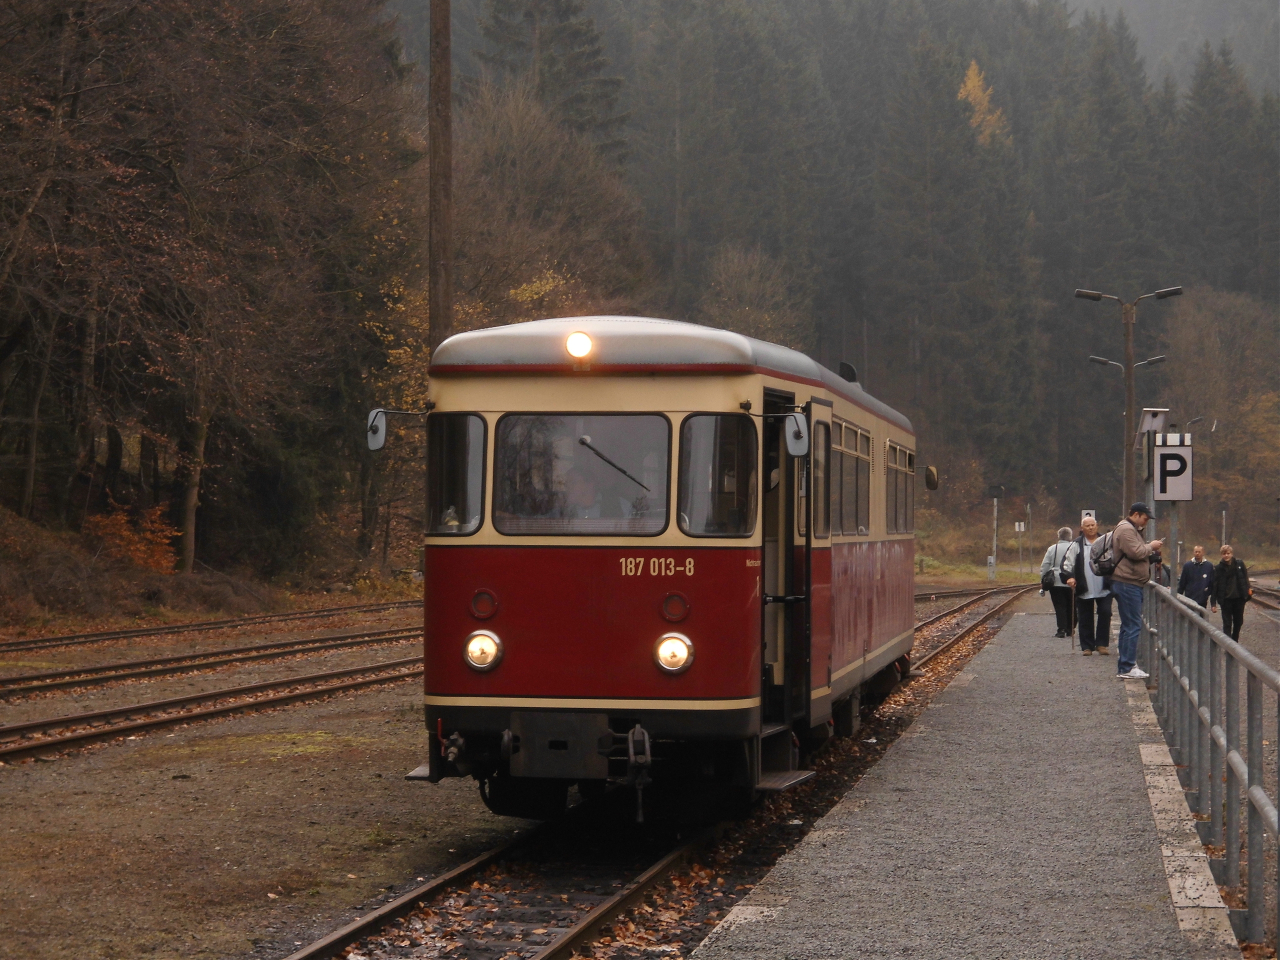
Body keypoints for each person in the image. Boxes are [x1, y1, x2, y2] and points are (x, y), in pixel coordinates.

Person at [1110, 503, 1163, 680]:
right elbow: (1134, 552)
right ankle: (1127, 666)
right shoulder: (1126, 529)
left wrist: (1150, 555)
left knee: (1128, 625)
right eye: (1145, 518)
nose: (1146, 522)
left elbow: (1136, 553)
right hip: (1127, 583)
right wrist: (1151, 546)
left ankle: (1126, 664)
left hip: (1128, 582)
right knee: (1133, 625)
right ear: (1136, 514)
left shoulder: (1130, 529)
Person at [1063, 516, 1112, 656]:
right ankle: (1087, 646)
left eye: (1093, 525)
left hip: (1104, 586)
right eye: (1087, 525)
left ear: (1097, 526)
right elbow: (1067, 563)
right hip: (1084, 586)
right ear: (1082, 528)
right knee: (1085, 616)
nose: (1091, 528)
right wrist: (1070, 577)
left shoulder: (1106, 542)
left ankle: (1102, 644)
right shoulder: (1076, 544)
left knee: (1105, 612)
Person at [1210, 544, 1252, 640]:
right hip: (1226, 600)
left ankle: (1235, 639)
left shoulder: (1239, 564)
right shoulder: (1218, 568)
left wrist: (1248, 590)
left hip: (1239, 599)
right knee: (1227, 623)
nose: (1226, 556)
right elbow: (1215, 586)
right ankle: (1228, 643)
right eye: (1224, 554)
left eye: (1228, 553)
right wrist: (1213, 603)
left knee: (1238, 622)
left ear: (1231, 554)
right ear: (1221, 555)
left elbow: (1245, 578)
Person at [1040, 527, 1075, 638]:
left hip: (1056, 581)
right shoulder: (1075, 547)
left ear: (1059, 536)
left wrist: (1043, 579)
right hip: (1072, 580)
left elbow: (1045, 565)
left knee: (1059, 606)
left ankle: (1061, 629)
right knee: (1072, 605)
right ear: (1070, 536)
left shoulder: (1052, 549)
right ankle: (1070, 628)